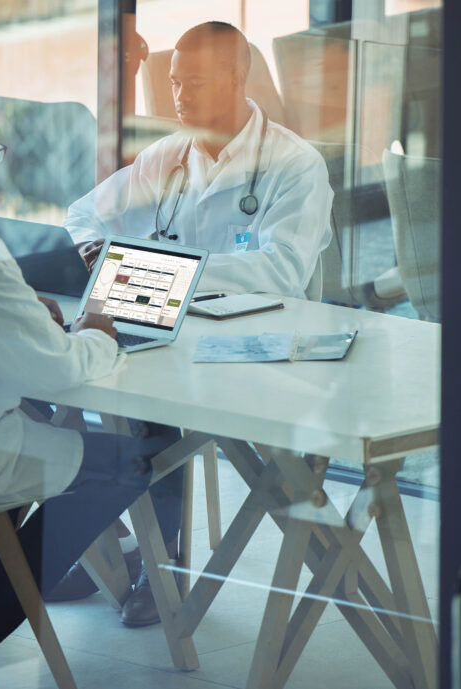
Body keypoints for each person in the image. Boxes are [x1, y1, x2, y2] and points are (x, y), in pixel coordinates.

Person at [0, 98, 180, 689]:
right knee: (127, 462)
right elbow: (60, 373)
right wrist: (98, 331)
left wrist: (20, 316)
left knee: (26, 423)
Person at [59, 21, 334, 626]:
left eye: (196, 84)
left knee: (143, 403)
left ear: (239, 80)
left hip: (254, 350)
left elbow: (283, 271)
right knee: (62, 389)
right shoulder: (169, 153)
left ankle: (165, 572)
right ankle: (109, 551)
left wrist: (166, 272)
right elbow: (84, 213)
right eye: (175, 83)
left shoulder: (295, 164)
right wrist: (96, 254)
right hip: (168, 330)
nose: (179, 97)